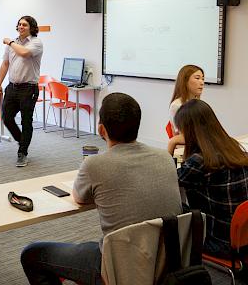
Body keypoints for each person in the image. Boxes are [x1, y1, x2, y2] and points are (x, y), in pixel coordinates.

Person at [21, 93, 182, 285]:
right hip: (167, 261)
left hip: (120, 267)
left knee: (31, 254)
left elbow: (79, 198)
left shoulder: (95, 165)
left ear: (101, 129)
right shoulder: (165, 157)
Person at [174, 99, 248, 259]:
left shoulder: (199, 161)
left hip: (220, 242)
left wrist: (172, 143)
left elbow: (167, 183)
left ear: (189, 131)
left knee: (170, 206)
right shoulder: (234, 148)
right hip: (244, 237)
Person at [0, 16, 43, 167]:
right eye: (19, 24)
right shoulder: (12, 44)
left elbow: (24, 53)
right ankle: (23, 141)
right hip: (12, 87)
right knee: (7, 118)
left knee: (26, 121)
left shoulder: (36, 42)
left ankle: (22, 153)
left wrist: (10, 42)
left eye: (25, 25)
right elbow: (5, 64)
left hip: (29, 88)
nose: (21, 27)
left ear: (31, 28)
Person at [167, 65, 204, 151]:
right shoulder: (177, 105)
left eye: (203, 79)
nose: (201, 82)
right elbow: (182, 136)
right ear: (185, 81)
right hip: (186, 149)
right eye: (197, 78)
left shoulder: (198, 103)